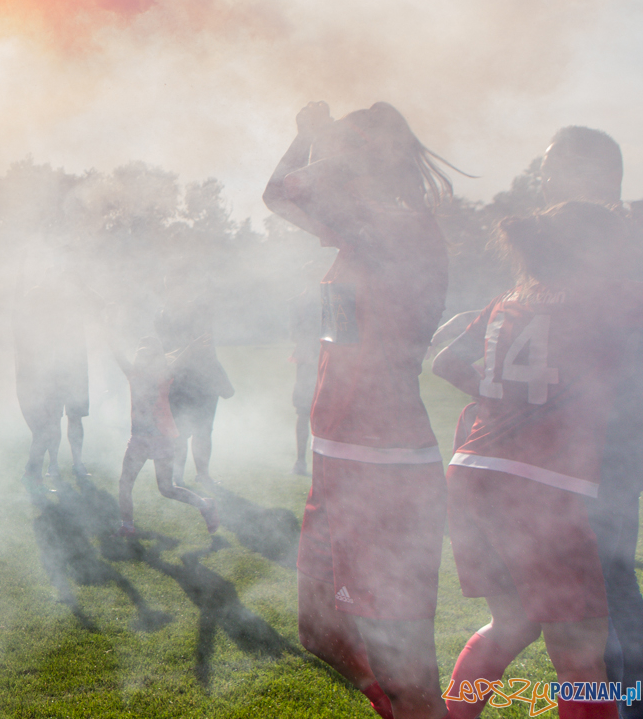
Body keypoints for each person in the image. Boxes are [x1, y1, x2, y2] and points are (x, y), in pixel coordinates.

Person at [263, 101, 455, 719]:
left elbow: (295, 193)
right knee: (321, 633)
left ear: (379, 158)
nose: (340, 159)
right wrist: (305, 140)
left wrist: (319, 145)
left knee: (407, 664)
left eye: (354, 148)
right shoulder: (361, 229)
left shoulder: (402, 225)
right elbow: (280, 194)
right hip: (337, 460)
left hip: (386, 466)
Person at [431, 202, 641, 719]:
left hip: (473, 472)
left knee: (514, 622)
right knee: (580, 654)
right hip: (539, 489)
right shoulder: (607, 301)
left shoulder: (510, 297)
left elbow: (444, 357)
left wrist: (499, 399)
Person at [538, 127, 643, 715]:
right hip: (569, 443)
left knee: (603, 576)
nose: (544, 177)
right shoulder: (566, 244)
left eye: (555, 167)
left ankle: (629, 700)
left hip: (609, 439)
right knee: (586, 581)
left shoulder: (622, 243)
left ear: (600, 175)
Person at [114, 337, 220, 536]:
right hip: (138, 439)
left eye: (148, 354)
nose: (143, 357)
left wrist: (191, 346)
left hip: (162, 439)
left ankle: (205, 505)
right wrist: (105, 327)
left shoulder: (164, 375)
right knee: (125, 484)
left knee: (166, 489)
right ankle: (127, 526)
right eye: (141, 352)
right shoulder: (133, 374)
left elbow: (180, 359)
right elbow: (117, 354)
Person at [15, 272, 93, 495]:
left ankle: (33, 477)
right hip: (34, 386)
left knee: (44, 432)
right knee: (44, 432)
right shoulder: (30, 327)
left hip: (42, 384)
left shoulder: (43, 325)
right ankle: (34, 476)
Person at [157, 301, 234, 489]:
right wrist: (190, 348)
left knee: (204, 430)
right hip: (180, 379)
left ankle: (203, 475)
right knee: (180, 432)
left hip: (206, 380)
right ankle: (178, 476)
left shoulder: (201, 310)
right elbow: (168, 353)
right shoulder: (164, 316)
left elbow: (208, 350)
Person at [289, 277, 322, 476]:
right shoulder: (297, 302)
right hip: (308, 363)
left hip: (325, 359)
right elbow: (293, 334)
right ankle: (301, 460)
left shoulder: (331, 298)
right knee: (303, 412)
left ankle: (313, 460)